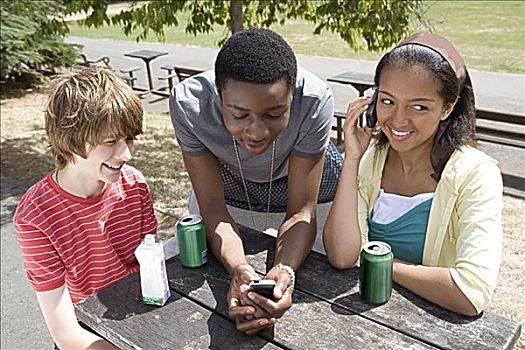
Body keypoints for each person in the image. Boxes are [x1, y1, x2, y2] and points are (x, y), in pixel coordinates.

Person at [170, 28, 342, 335]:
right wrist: (239, 269)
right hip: (231, 186)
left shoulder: (315, 99)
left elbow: (302, 211)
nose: (257, 132)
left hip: (306, 184)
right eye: (239, 115)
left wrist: (284, 269)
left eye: (275, 113)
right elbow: (212, 209)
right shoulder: (189, 105)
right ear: (218, 96)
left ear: (293, 97)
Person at [323, 33, 503, 316]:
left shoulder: (477, 174)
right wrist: (352, 158)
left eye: (419, 107)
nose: (398, 120)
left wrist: (378, 263)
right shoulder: (370, 159)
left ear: (447, 108)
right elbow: (342, 255)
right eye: (387, 101)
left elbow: (471, 292)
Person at [13, 66, 158, 349]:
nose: (126, 153)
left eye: (130, 138)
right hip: (87, 333)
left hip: (138, 318)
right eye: (110, 141)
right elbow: (65, 333)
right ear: (70, 138)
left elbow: (149, 268)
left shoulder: (134, 185)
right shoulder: (35, 217)